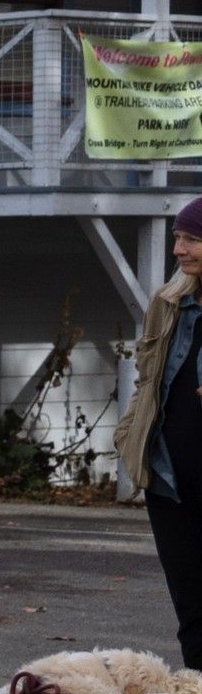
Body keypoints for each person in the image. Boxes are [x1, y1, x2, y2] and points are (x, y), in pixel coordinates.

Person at [116, 196, 202, 666]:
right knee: (190, 602)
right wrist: (129, 437)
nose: (178, 250)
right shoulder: (168, 304)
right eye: (176, 238)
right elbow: (147, 381)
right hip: (169, 479)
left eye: (190, 238)